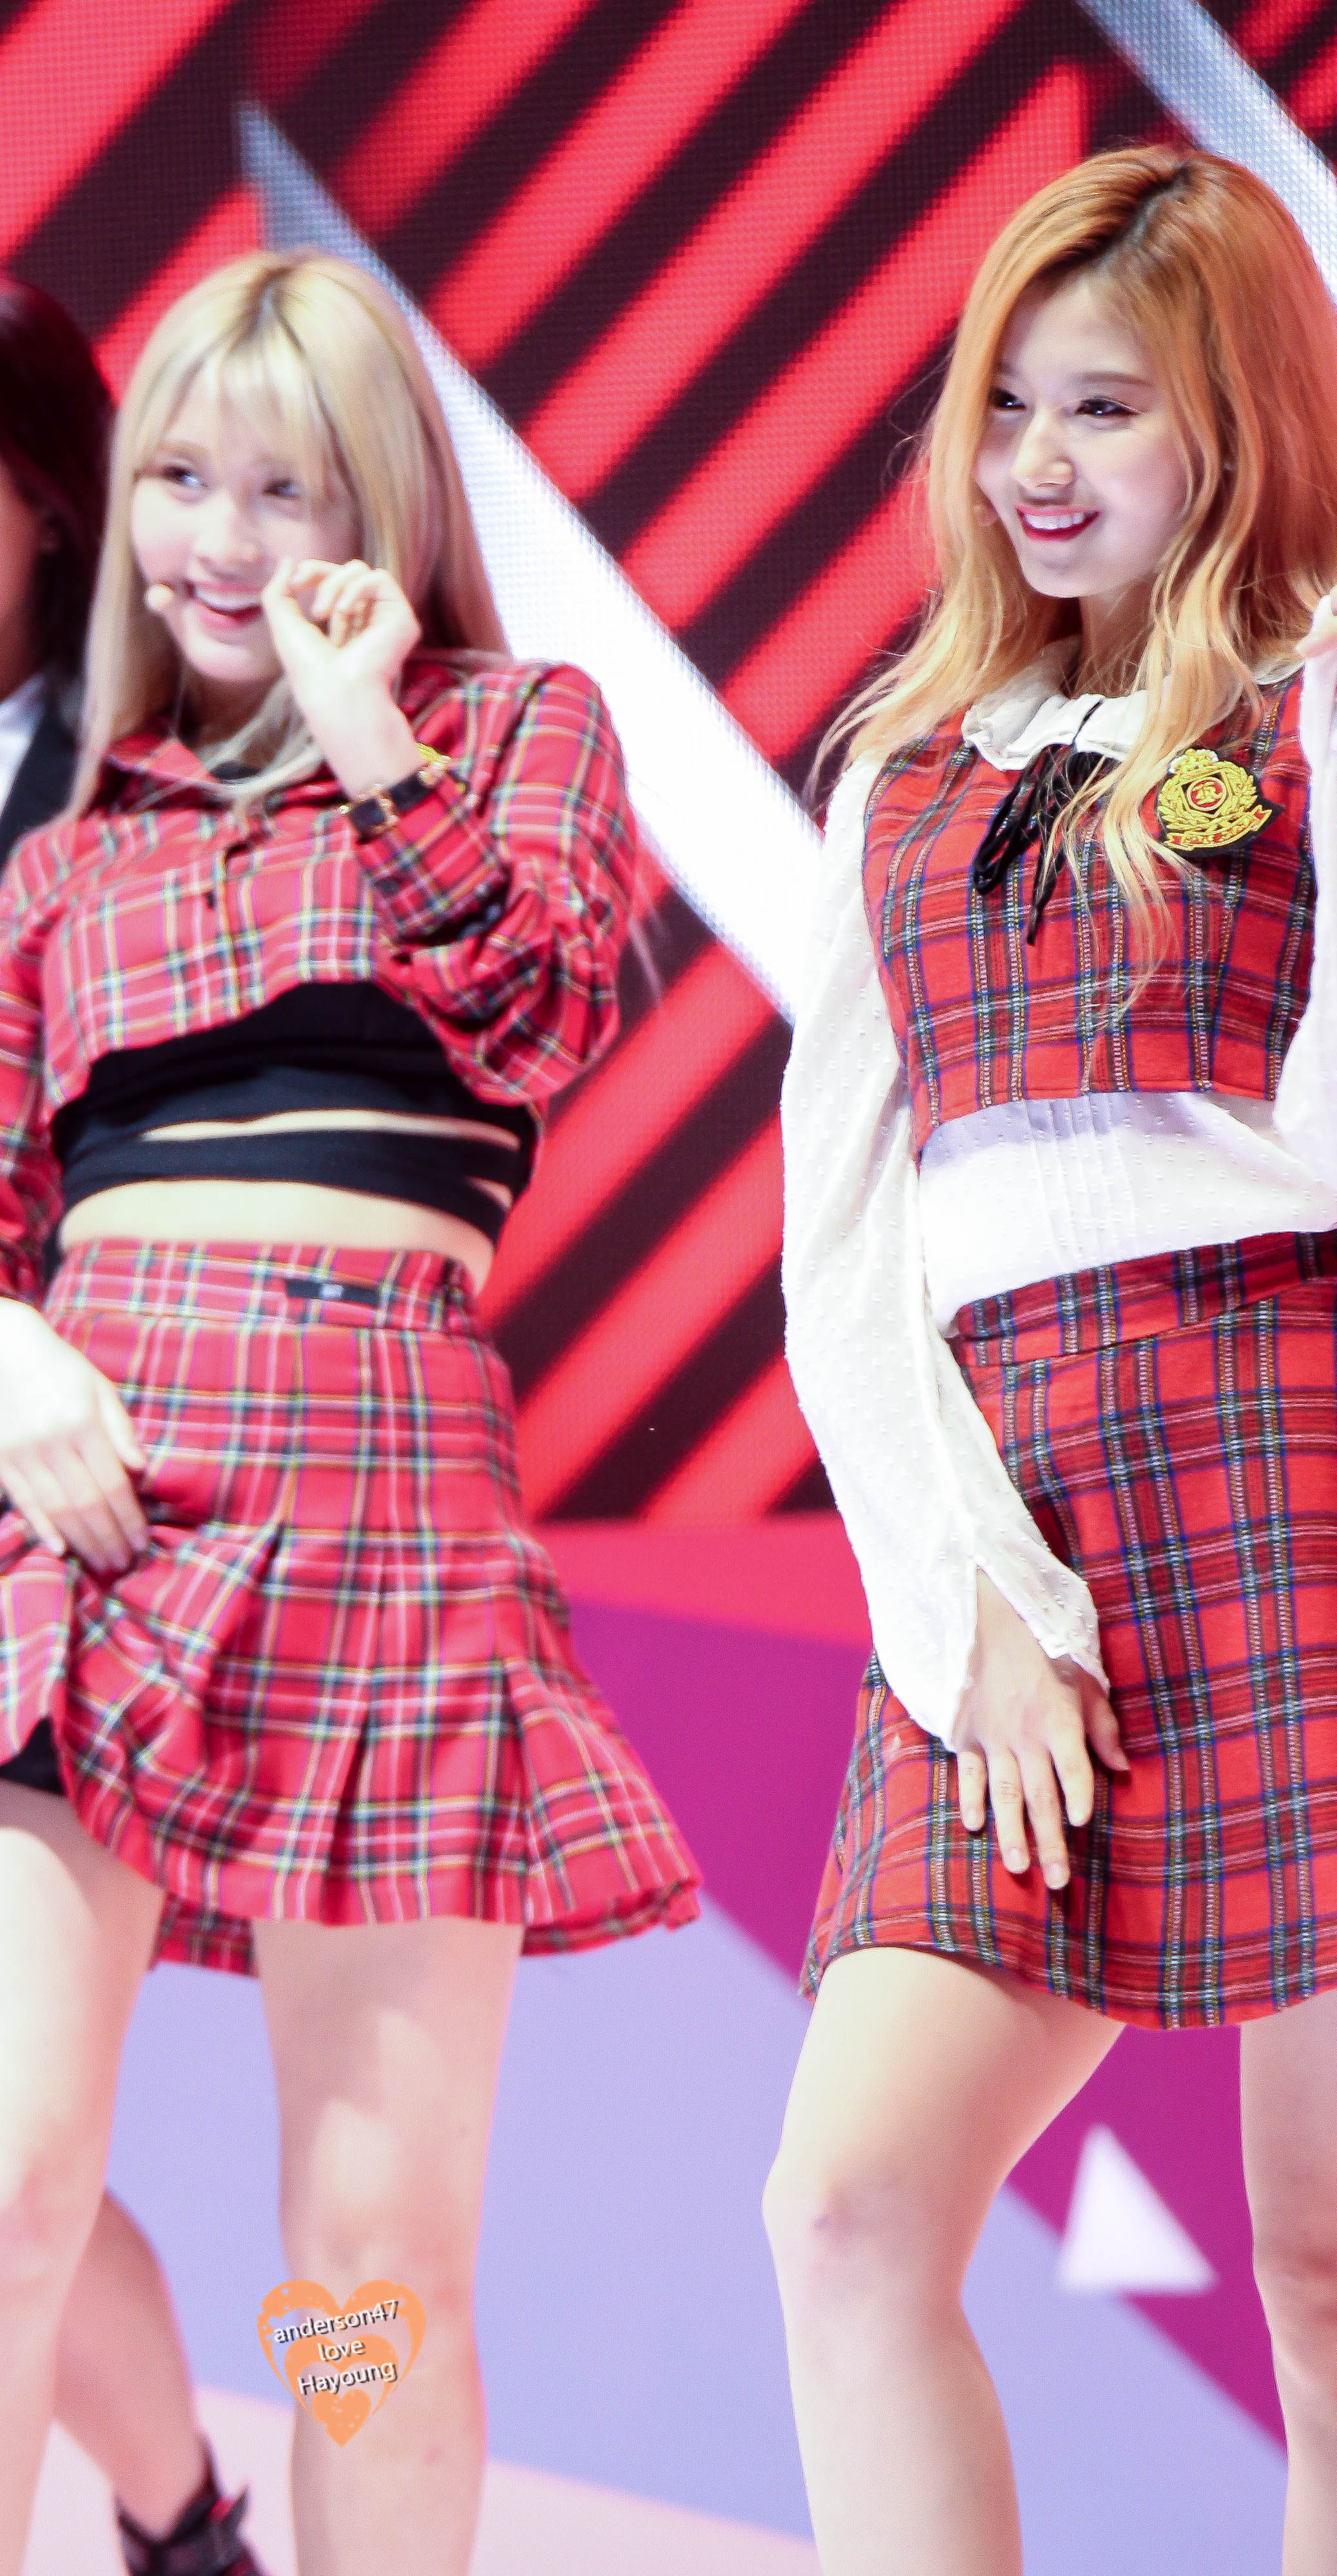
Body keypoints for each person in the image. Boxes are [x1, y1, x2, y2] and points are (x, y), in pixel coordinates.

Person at [766, 147, 1337, 2576]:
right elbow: (843, 1249)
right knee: (848, 2208)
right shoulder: (908, 762)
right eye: (1007, 400)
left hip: (1324, 1467)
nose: (1036, 459)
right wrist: (971, 1611)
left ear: (1235, 416)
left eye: (1104, 404)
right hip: (1012, 1512)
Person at [0, 249, 699, 2576]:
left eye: (280, 486)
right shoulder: (70, 847)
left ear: (380, 513)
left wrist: (369, 730)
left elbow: (540, 1008)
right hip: (85, 1507)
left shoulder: (515, 735)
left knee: (368, 2275)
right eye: (177, 478)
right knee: (6, 2182)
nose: (214, 537)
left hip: (386, 1511)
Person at [0, 272, 268, 2576]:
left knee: (12, 2154)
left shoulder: (165, 772)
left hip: (74, 1508)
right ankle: (189, 2532)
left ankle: (186, 2528)